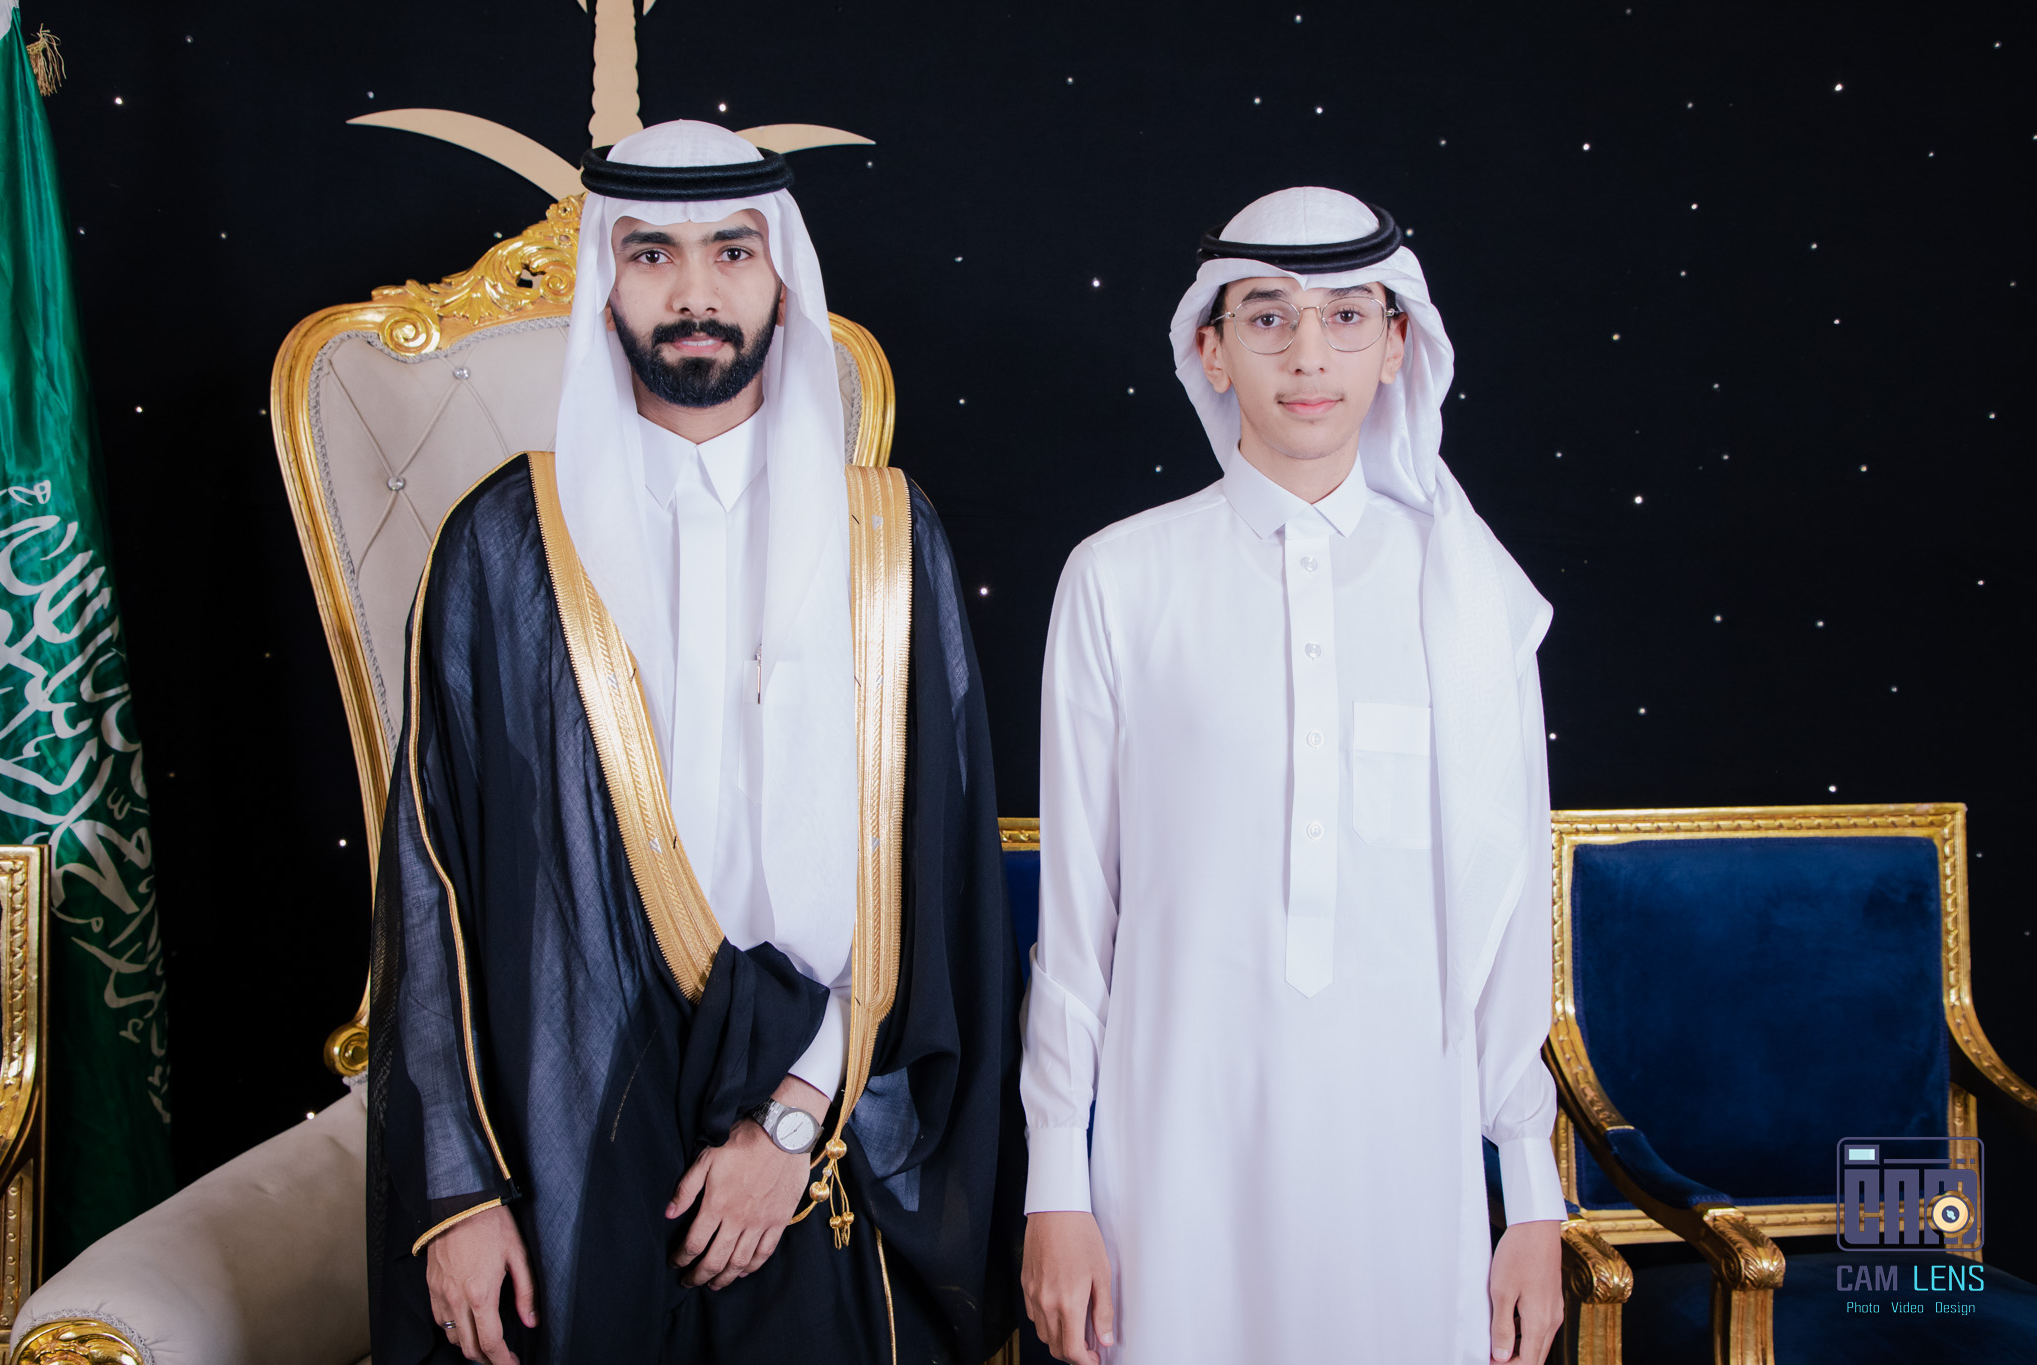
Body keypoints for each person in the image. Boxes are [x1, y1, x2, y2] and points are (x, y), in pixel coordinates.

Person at [366, 121, 1025, 1365]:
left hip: (825, 1140)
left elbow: (933, 884)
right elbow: (430, 879)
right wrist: (459, 1189)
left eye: (731, 251)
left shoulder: (886, 545)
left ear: (782, 280)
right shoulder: (505, 545)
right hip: (573, 1133)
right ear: (601, 287)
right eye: (649, 254)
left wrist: (793, 1120)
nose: (693, 293)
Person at [1018, 186, 1566, 1364]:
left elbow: (1509, 914)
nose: (1307, 355)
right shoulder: (1118, 578)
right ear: (1210, 350)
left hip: (1402, 1162)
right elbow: (1076, 916)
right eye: (1267, 317)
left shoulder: (1468, 596)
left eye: (1345, 317)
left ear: (1396, 344)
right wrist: (1054, 1184)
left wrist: (1529, 1196)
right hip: (1173, 1151)